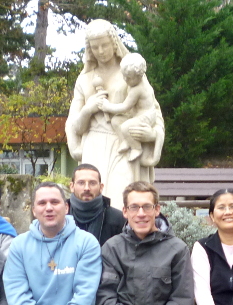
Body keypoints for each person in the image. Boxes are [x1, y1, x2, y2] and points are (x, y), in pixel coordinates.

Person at [94, 181, 195, 305]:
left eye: (147, 206)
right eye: (134, 207)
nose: (141, 213)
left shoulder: (177, 249)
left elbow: (182, 302)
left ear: (157, 210)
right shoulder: (112, 247)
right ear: (125, 212)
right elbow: (105, 297)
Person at [66, 20, 165, 208]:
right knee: (93, 201)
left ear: (114, 43)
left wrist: (151, 135)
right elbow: (75, 125)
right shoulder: (84, 79)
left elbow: (153, 112)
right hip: (93, 145)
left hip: (123, 144)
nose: (101, 51)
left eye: (105, 45)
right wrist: (89, 108)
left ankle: (124, 237)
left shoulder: (131, 73)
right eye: (95, 47)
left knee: (122, 199)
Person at [98, 53, 158, 162]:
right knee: (116, 121)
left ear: (139, 76)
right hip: (136, 115)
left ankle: (136, 148)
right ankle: (125, 141)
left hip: (146, 116)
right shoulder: (134, 83)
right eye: (124, 76)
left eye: (129, 78)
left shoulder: (138, 89)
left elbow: (125, 107)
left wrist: (108, 107)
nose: (125, 79)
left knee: (126, 127)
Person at [69, 163, 126, 246]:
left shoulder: (118, 219)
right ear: (72, 186)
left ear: (101, 187)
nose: (87, 188)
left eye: (92, 183)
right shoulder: (60, 217)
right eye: (81, 183)